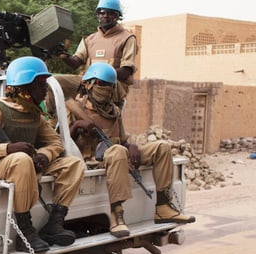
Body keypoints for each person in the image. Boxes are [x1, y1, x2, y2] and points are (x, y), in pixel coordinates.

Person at [0, 56, 85, 252]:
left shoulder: (34, 113)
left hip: (24, 168)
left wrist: (44, 155)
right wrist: (7, 149)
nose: (44, 90)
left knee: (73, 164)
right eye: (39, 85)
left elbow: (54, 142)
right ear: (23, 87)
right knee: (21, 159)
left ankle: (54, 223)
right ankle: (25, 230)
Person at [66, 62, 195, 238]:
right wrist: (78, 126)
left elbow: (123, 140)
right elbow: (61, 143)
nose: (106, 89)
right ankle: (117, 215)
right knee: (118, 152)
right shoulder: (74, 108)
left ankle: (164, 206)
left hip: (116, 153)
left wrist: (132, 146)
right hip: (93, 160)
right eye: (101, 84)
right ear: (88, 84)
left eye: (110, 85)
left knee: (161, 147)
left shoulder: (114, 112)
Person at [61, 0, 138, 109]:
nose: (105, 16)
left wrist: (98, 77)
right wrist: (63, 56)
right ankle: (52, 123)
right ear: (98, 15)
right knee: (53, 83)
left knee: (95, 92)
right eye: (102, 12)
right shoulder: (90, 39)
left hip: (111, 85)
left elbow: (126, 72)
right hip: (87, 83)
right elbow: (76, 62)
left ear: (117, 16)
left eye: (110, 13)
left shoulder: (127, 38)